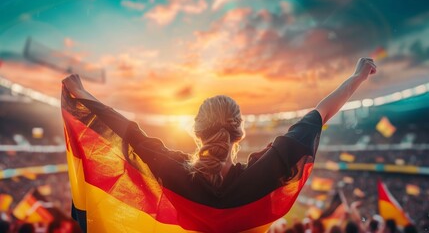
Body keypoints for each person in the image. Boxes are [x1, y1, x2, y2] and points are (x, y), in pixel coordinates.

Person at [62, 57, 376, 232]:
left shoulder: (172, 171)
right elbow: (319, 115)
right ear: (238, 133)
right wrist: (358, 76)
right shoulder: (264, 174)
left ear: (197, 133)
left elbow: (127, 134)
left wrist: (84, 95)